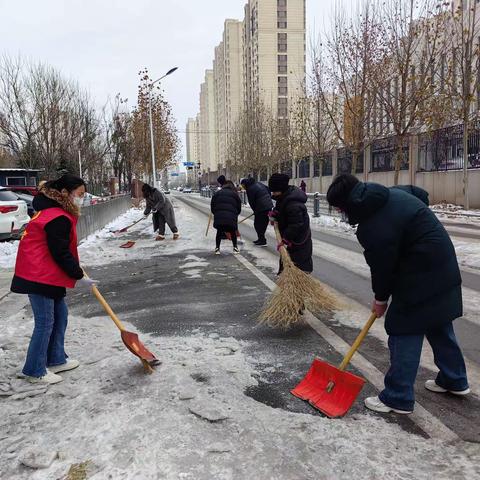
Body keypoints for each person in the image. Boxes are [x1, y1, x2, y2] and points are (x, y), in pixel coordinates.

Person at [326, 173, 469, 414]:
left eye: (340, 208)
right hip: (443, 265)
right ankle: (455, 380)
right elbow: (420, 194)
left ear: (350, 204)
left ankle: (397, 396)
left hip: (420, 275)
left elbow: (383, 270)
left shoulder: (373, 228)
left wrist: (380, 299)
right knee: (437, 321)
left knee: (403, 329)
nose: (342, 214)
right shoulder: (393, 193)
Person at [11, 174, 97, 385]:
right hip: (38, 275)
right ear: (65, 193)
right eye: (80, 194)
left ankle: (55, 358)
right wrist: (78, 275)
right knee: (45, 322)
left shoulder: (55, 212)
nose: (82, 199)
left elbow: (61, 251)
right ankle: (34, 369)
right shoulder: (56, 216)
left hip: (48, 274)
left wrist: (74, 272)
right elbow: (60, 253)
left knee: (60, 315)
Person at [268, 173, 313, 274]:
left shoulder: (294, 205)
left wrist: (285, 239)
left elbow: (296, 225)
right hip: (290, 240)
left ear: (282, 189)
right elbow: (282, 211)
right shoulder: (283, 198)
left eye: (275, 191)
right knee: (286, 266)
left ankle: (300, 288)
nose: (273, 193)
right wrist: (275, 214)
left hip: (299, 241)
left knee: (298, 269)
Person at [240, 177, 273, 247]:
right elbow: (268, 190)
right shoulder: (258, 184)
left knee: (257, 224)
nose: (242, 187)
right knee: (263, 224)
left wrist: (255, 210)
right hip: (268, 206)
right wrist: (268, 199)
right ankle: (261, 239)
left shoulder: (250, 189)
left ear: (245, 184)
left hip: (261, 208)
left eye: (242, 185)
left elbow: (252, 202)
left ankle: (262, 240)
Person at [211, 180, 241, 255]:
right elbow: (239, 207)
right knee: (232, 231)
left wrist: (216, 213)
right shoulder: (235, 194)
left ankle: (217, 248)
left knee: (219, 231)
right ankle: (235, 248)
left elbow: (213, 205)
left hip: (219, 216)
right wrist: (235, 214)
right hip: (231, 216)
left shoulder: (217, 193)